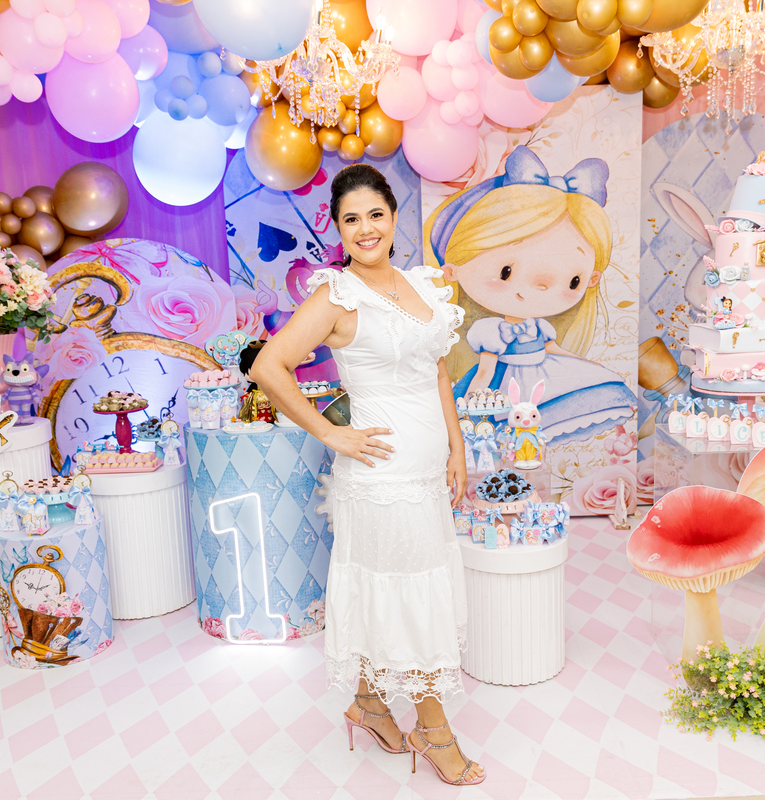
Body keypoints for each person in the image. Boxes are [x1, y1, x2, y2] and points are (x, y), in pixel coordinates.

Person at [250, 165, 484, 786]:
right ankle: (434, 732)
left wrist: (456, 447)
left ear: (394, 217)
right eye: (351, 219)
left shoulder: (421, 285)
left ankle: (370, 705)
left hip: (425, 474)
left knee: (399, 590)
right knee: (406, 598)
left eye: (375, 215)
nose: (365, 229)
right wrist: (330, 432)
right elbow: (269, 366)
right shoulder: (337, 295)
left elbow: (438, 372)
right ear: (338, 227)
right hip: (380, 481)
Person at [425, 145, 637, 444]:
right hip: (506, 386)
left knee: (536, 436)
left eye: (573, 281)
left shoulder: (538, 326)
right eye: (506, 272)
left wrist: (592, 367)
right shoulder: (491, 331)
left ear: (592, 279)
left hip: (548, 381)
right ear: (453, 269)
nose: (535, 291)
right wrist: (471, 406)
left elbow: (555, 349)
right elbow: (485, 371)